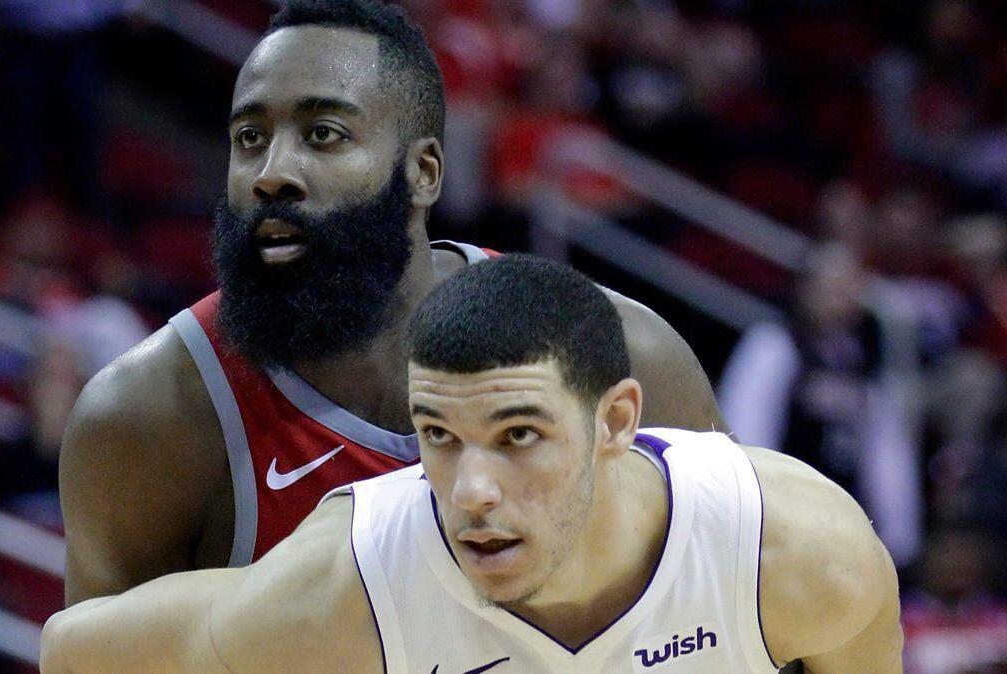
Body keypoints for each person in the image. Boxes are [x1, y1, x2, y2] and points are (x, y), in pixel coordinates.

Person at [59, 0, 726, 609]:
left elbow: (749, 617)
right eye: (250, 139)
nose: (271, 174)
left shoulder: (620, 361)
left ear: (424, 172)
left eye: (323, 134)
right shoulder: (150, 421)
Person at [42, 256, 903, 673]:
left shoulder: (793, 553)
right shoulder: (358, 576)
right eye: (438, 437)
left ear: (617, 421)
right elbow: (77, 650)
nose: (471, 493)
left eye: (519, 435)